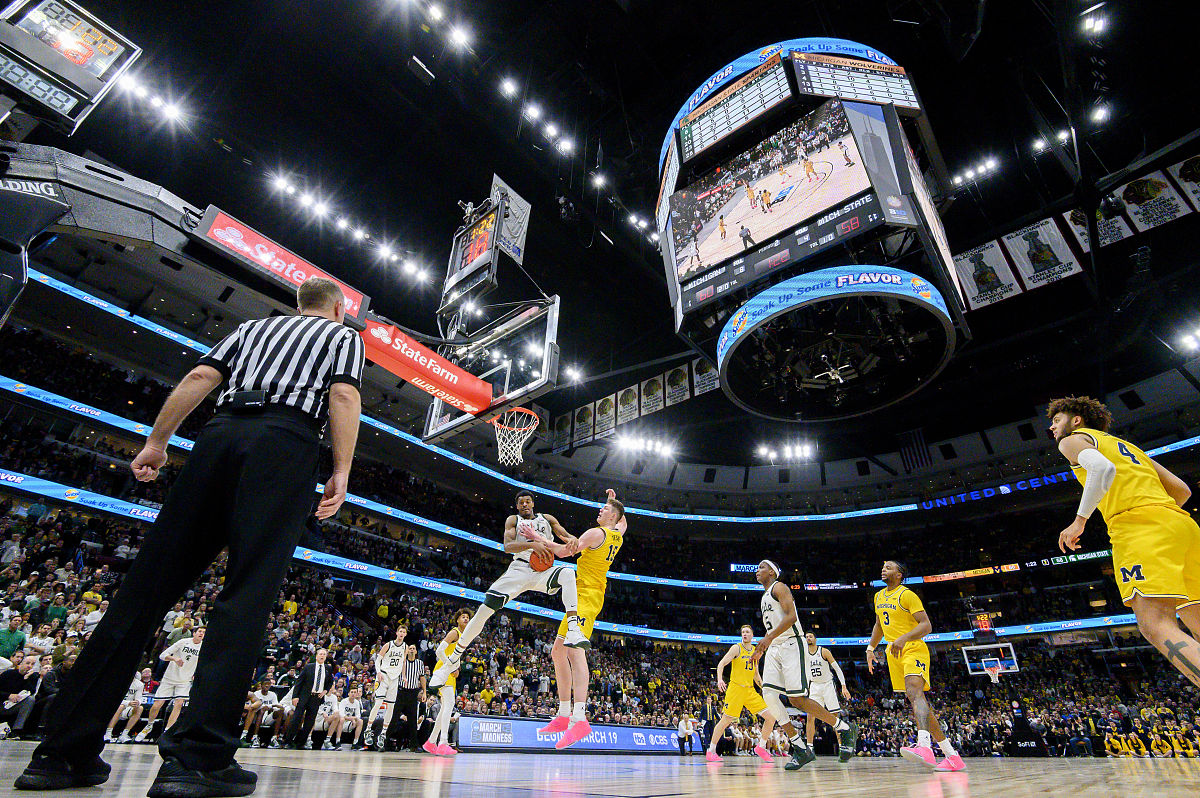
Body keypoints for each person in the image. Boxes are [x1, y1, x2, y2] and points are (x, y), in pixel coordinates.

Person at [15, 276, 365, 795]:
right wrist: (341, 469)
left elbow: (201, 375)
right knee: (246, 594)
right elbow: (342, 393)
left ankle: (60, 753)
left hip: (219, 435)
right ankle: (196, 760)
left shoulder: (251, 329)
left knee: (144, 591)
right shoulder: (342, 336)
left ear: (298, 304)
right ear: (337, 309)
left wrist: (157, 441)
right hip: (284, 443)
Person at [1048, 396, 1200, 688]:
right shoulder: (1129, 448)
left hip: (1140, 527)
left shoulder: (1072, 440)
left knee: (1156, 624)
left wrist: (1079, 521)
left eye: (1057, 420)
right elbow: (1181, 491)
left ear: (1076, 420)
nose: (1053, 428)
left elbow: (1102, 470)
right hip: (1181, 524)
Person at [529, 493, 626, 750]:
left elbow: (563, 552)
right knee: (558, 652)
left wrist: (537, 538)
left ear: (612, 516)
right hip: (582, 595)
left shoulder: (595, 533)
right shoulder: (618, 533)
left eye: (604, 508)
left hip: (587, 596)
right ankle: (563, 714)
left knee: (574, 650)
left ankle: (580, 718)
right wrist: (614, 500)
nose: (600, 510)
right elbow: (624, 520)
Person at [451, 491, 589, 659]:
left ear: (533, 504)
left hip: (543, 570)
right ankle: (455, 656)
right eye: (521, 502)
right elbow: (508, 546)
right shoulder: (514, 520)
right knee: (484, 609)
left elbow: (566, 536)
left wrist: (574, 539)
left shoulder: (547, 519)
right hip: (520, 568)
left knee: (568, 573)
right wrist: (532, 545)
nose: (524, 504)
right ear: (517, 506)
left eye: (528, 501)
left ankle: (573, 629)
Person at [752, 560, 858, 770]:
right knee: (769, 696)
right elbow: (773, 626)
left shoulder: (780, 587)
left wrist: (768, 638)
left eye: (762, 567)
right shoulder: (764, 596)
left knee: (797, 700)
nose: (757, 570)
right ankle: (800, 747)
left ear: (772, 572)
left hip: (792, 643)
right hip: (774, 647)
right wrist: (762, 647)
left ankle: (843, 727)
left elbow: (791, 617)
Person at [867, 560, 964, 772]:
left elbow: (926, 625)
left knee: (914, 692)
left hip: (913, 648)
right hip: (894, 652)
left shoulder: (907, 595)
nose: (883, 569)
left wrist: (904, 638)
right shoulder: (878, 596)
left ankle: (924, 745)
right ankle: (951, 756)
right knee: (917, 700)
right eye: (882, 566)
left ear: (899, 574)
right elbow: (879, 625)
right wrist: (870, 648)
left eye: (889, 567)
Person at [705, 624, 776, 763]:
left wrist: (764, 688)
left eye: (747, 632)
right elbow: (721, 664)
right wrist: (719, 679)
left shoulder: (755, 651)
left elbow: (756, 674)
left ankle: (761, 747)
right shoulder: (736, 648)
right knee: (725, 720)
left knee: (771, 718)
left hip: (749, 690)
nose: (744, 634)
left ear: (752, 635)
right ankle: (711, 751)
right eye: (743, 632)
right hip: (736, 689)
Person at [136, 627, 206, 741]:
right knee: (157, 705)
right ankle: (149, 725)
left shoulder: (204, 648)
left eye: (204, 633)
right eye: (200, 631)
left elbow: (202, 664)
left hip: (185, 680)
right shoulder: (183, 642)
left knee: (178, 704)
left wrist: (196, 674)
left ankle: (167, 731)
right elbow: (162, 655)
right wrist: (174, 659)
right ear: (194, 633)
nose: (202, 634)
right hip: (169, 678)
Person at [424, 609, 471, 756]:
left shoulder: (464, 635)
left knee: (446, 708)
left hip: (450, 672)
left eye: (468, 617)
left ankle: (431, 742)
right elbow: (439, 651)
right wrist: (451, 666)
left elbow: (454, 656)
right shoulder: (455, 632)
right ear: (457, 619)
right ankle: (443, 742)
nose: (466, 619)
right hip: (444, 671)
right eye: (463, 617)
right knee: (448, 706)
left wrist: (456, 667)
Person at [804, 631, 851, 752]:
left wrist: (843, 686)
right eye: (806, 637)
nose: (808, 638)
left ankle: (842, 747)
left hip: (827, 685)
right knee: (810, 716)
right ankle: (809, 747)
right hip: (814, 686)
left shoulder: (824, 651)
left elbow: (837, 668)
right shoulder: (804, 654)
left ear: (815, 639)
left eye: (810, 636)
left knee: (834, 717)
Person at [362, 625, 407, 750]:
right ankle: (368, 729)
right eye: (400, 631)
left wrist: (404, 676)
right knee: (378, 703)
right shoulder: (389, 645)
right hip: (384, 676)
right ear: (397, 633)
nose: (401, 633)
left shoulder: (405, 647)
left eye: (404, 632)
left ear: (405, 634)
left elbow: (403, 663)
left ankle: (383, 733)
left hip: (395, 678)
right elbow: (378, 660)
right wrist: (378, 672)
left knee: (391, 706)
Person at [287, 648, 334, 750]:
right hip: (304, 696)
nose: (322, 656)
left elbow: (330, 681)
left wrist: (325, 690)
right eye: (320, 654)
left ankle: (301, 743)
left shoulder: (328, 668)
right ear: (316, 656)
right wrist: (295, 696)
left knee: (309, 722)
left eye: (324, 654)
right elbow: (299, 682)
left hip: (316, 698)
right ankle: (288, 741)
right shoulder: (309, 667)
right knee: (296, 718)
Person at [387, 644, 426, 752]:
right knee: (394, 718)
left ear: (416, 651)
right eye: (410, 649)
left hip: (413, 693)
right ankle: (385, 742)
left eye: (414, 648)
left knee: (413, 720)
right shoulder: (402, 662)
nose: (412, 650)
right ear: (407, 651)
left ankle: (414, 745)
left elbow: (422, 678)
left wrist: (424, 692)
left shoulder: (419, 663)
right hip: (401, 692)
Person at [104, 672, 144, 744]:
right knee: (121, 706)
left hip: (128, 708)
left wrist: (137, 702)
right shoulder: (118, 682)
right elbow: (113, 699)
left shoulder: (139, 684)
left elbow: (139, 698)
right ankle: (108, 733)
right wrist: (127, 703)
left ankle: (124, 734)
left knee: (140, 708)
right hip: (114, 707)